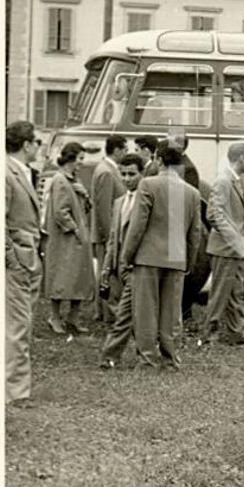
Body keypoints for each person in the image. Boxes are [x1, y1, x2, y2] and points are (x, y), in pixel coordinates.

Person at [120, 144, 202, 369]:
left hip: (147, 256)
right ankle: (171, 358)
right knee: (171, 313)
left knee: (145, 311)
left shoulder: (148, 184)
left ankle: (147, 358)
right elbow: (195, 234)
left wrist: (126, 256)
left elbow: (137, 226)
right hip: (177, 257)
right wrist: (190, 262)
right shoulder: (192, 192)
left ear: (158, 160)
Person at [5, 121, 44, 404]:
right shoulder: (6, 173)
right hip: (18, 260)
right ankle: (15, 391)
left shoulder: (22, 173)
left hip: (28, 258)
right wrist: (12, 258)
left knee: (21, 323)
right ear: (27, 144)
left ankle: (15, 386)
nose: (39, 148)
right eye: (37, 142)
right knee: (18, 325)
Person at [202, 143, 244, 346]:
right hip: (226, 248)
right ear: (241, 157)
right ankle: (209, 335)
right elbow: (213, 214)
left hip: (235, 248)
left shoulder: (235, 180)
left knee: (235, 292)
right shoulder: (224, 181)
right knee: (220, 293)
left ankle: (236, 332)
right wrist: (234, 239)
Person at [43, 142, 96, 336]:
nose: (82, 163)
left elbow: (80, 208)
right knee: (61, 277)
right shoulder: (61, 180)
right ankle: (55, 317)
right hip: (66, 239)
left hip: (77, 236)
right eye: (80, 159)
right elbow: (60, 212)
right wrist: (75, 230)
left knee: (78, 277)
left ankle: (73, 316)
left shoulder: (73, 180)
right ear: (71, 158)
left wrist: (85, 196)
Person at [99, 154, 147, 367]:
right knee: (123, 312)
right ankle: (143, 354)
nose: (127, 178)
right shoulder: (119, 202)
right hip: (119, 265)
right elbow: (113, 238)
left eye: (132, 174)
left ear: (142, 173)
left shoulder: (145, 200)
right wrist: (107, 267)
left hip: (136, 265)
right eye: (123, 174)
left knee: (126, 315)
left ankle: (110, 356)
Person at [90, 134, 128, 323]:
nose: (126, 153)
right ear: (118, 150)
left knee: (106, 273)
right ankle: (106, 312)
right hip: (107, 232)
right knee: (107, 273)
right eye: (125, 149)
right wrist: (107, 234)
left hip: (109, 232)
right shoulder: (106, 171)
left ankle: (102, 311)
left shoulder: (107, 169)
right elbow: (103, 207)